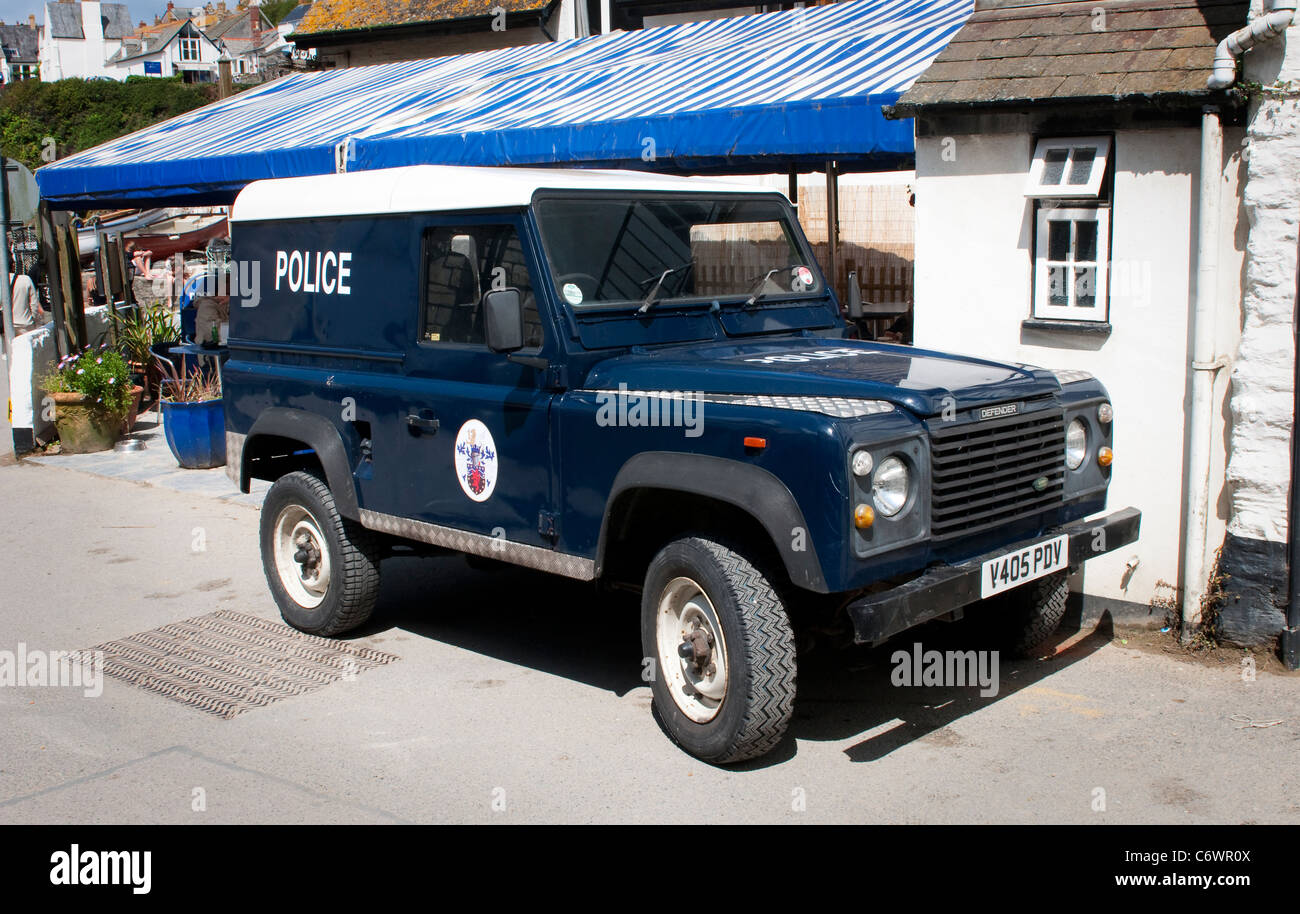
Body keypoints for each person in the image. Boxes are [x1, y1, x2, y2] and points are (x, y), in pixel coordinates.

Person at [8, 269, 47, 335]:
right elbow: (34, 305)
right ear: (13, 265)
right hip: (26, 325)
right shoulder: (25, 279)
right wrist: (35, 321)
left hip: (6, 325)